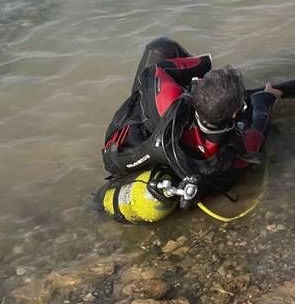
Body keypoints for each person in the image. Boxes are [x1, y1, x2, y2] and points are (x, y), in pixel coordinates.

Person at [101, 37, 284, 215]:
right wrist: (266, 97)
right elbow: (259, 122)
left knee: (162, 46)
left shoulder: (166, 99)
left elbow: (153, 71)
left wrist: (203, 64)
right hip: (166, 162)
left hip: (122, 146)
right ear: (235, 114)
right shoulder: (230, 154)